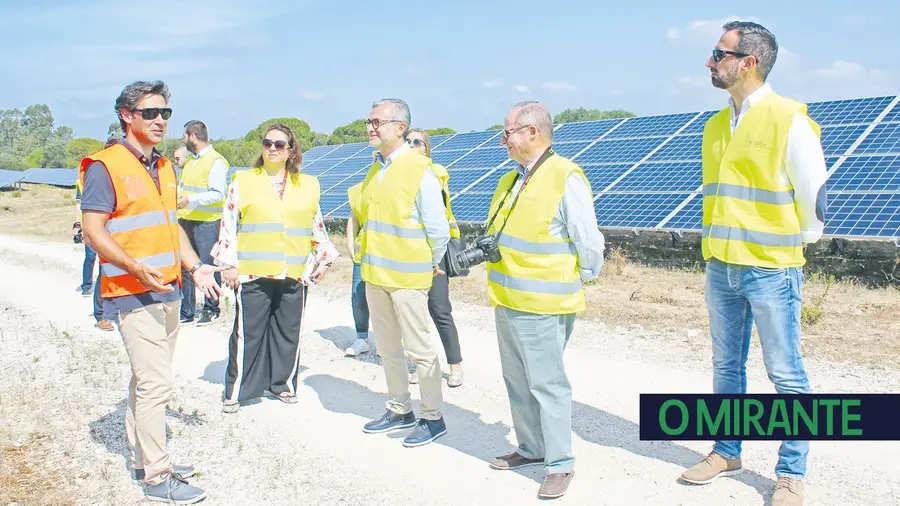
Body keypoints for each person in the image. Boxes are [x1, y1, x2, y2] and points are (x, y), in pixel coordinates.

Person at [679, 22, 827, 506]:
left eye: (718, 53)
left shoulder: (789, 120)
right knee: (727, 366)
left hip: (771, 267)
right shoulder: (716, 124)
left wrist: (790, 248)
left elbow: (813, 200)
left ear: (748, 61)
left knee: (786, 375)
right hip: (721, 265)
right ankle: (727, 451)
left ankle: (790, 473)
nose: (709, 62)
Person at [79, 80, 222, 504]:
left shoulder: (163, 167)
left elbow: (169, 226)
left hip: (168, 289)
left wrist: (194, 267)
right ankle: (157, 476)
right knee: (156, 384)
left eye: (165, 114)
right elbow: (93, 230)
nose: (160, 121)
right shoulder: (106, 166)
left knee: (147, 380)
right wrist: (134, 267)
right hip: (130, 291)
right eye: (150, 113)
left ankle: (146, 459)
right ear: (127, 115)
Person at [485, 101, 604, 500]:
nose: (504, 140)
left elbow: (588, 241)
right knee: (517, 381)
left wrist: (581, 277)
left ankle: (559, 464)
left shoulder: (564, 176)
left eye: (508, 132)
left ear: (531, 132)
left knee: (547, 384)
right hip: (508, 298)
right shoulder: (511, 180)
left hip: (544, 304)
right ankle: (531, 448)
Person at [211, 123, 338, 413]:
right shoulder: (243, 180)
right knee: (248, 332)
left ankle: (282, 384)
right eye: (268, 143)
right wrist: (228, 264)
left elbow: (315, 226)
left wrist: (325, 259)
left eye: (280, 144)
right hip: (254, 271)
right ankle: (238, 389)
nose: (272, 148)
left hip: (294, 273)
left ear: (291, 150)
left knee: (288, 332)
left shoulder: (308, 185)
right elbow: (229, 223)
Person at [357, 98, 450, 448]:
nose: (370, 127)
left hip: (408, 278)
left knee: (420, 349)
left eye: (377, 121)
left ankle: (432, 416)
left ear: (399, 127)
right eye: (368, 121)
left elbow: (437, 227)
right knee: (388, 348)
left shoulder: (418, 167)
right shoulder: (375, 168)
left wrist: (431, 263)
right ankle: (399, 407)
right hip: (376, 275)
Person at [344, 129, 465, 388]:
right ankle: (416, 366)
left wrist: (434, 258)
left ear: (427, 148)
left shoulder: (432, 173)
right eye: (408, 141)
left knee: (439, 309)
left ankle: (454, 365)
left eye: (417, 142)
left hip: (434, 255)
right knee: (406, 315)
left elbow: (436, 224)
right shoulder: (384, 173)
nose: (411, 145)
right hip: (404, 258)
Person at [177, 120, 230, 326]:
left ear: (192, 136)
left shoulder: (216, 161)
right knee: (187, 266)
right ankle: (187, 310)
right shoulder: (191, 161)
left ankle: (211, 307)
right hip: (186, 219)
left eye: (184, 136)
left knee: (208, 266)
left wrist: (190, 199)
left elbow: (217, 194)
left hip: (207, 222)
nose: (183, 140)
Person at [74, 152, 115, 331]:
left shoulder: (115, 176)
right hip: (94, 229)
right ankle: (100, 312)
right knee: (98, 264)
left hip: (114, 229)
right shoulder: (89, 177)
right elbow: (79, 204)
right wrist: (79, 225)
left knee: (111, 268)